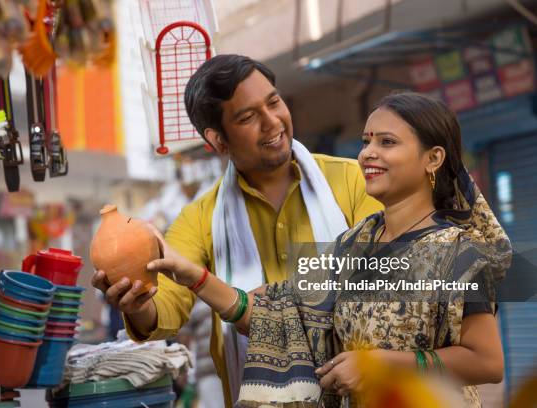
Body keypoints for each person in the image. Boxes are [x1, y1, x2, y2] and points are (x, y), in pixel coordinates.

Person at [145, 92, 512, 407]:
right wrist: (195, 278)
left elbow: (486, 362)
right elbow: (275, 313)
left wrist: (381, 365)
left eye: (387, 142)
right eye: (366, 141)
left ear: (433, 158)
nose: (367, 153)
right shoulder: (352, 247)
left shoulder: (460, 253)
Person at [91, 54, 383, 406]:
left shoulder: (353, 182)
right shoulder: (201, 219)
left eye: (274, 102)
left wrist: (234, 300)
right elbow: (164, 305)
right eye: (248, 117)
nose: (272, 121)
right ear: (217, 141)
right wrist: (137, 303)